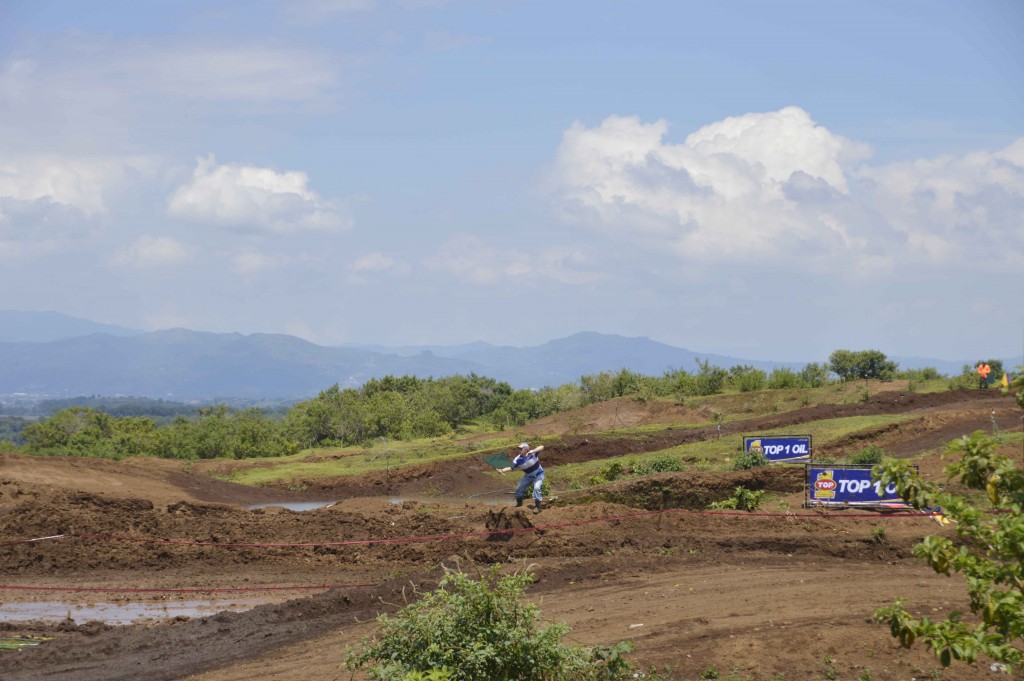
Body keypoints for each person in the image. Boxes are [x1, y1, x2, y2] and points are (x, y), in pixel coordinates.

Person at [498, 442, 545, 513]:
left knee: (537, 488)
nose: (519, 450)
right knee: (518, 489)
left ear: (526, 449)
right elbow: (511, 468)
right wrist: (502, 470)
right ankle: (519, 505)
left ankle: (537, 507)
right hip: (528, 476)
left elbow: (542, 447)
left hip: (538, 474)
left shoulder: (533, 454)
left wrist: (533, 451)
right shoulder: (517, 459)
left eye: (521, 448)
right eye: (518, 449)